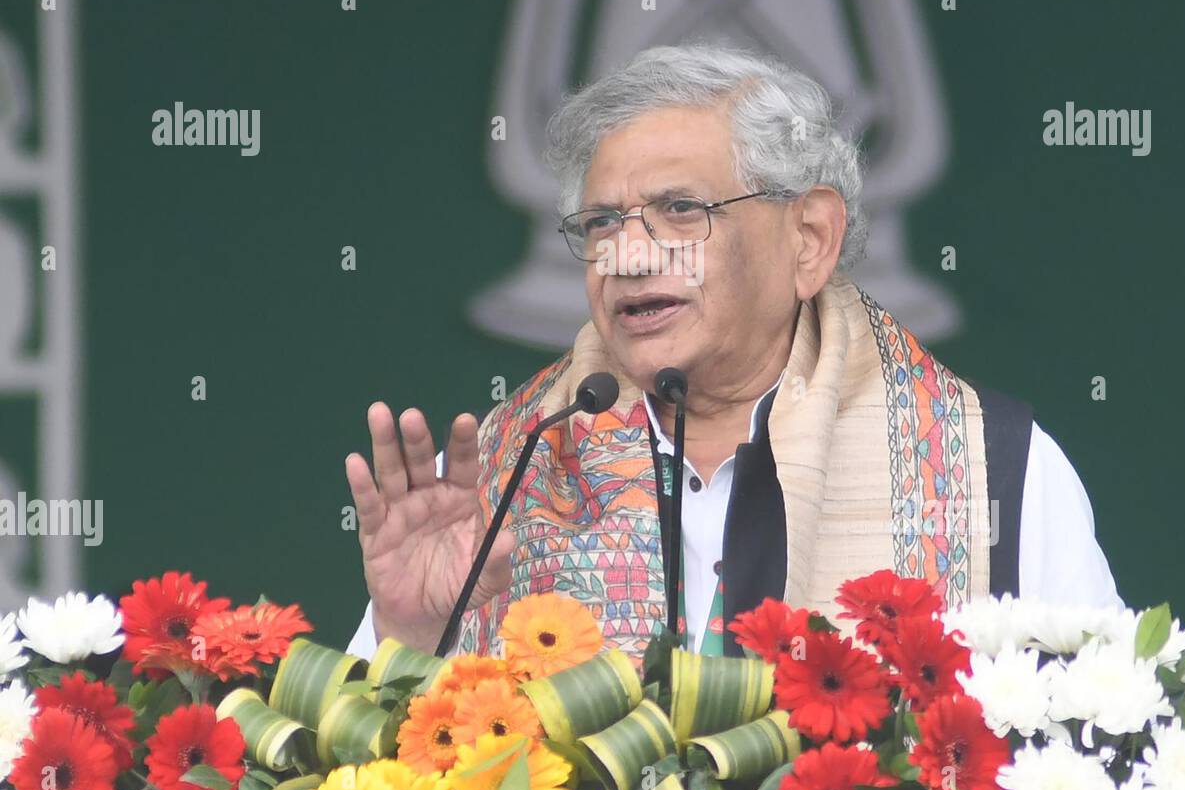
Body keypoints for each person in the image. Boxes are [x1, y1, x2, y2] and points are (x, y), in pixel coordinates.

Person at [345, 43, 1120, 663]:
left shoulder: (990, 466)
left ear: (809, 239)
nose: (630, 255)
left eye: (680, 209)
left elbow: (1098, 768)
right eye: (602, 223)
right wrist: (410, 637)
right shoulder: (504, 472)